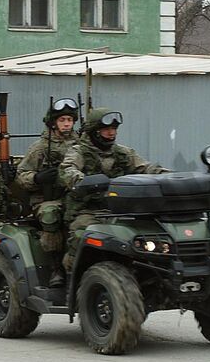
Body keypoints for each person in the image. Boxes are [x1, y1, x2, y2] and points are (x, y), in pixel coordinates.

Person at [59, 107, 167, 274]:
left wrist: (168, 178)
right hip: (88, 210)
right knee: (81, 233)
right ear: (94, 132)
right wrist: (83, 182)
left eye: (114, 129)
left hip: (120, 209)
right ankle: (71, 275)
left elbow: (144, 167)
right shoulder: (78, 151)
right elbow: (68, 170)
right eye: (107, 129)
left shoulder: (122, 152)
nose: (112, 133)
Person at [18, 98, 79, 287]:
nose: (67, 124)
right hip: (47, 198)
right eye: (62, 120)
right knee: (51, 215)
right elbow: (21, 175)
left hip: (76, 197)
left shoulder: (83, 145)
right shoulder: (40, 148)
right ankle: (56, 269)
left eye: (69, 119)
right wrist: (37, 178)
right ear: (53, 122)